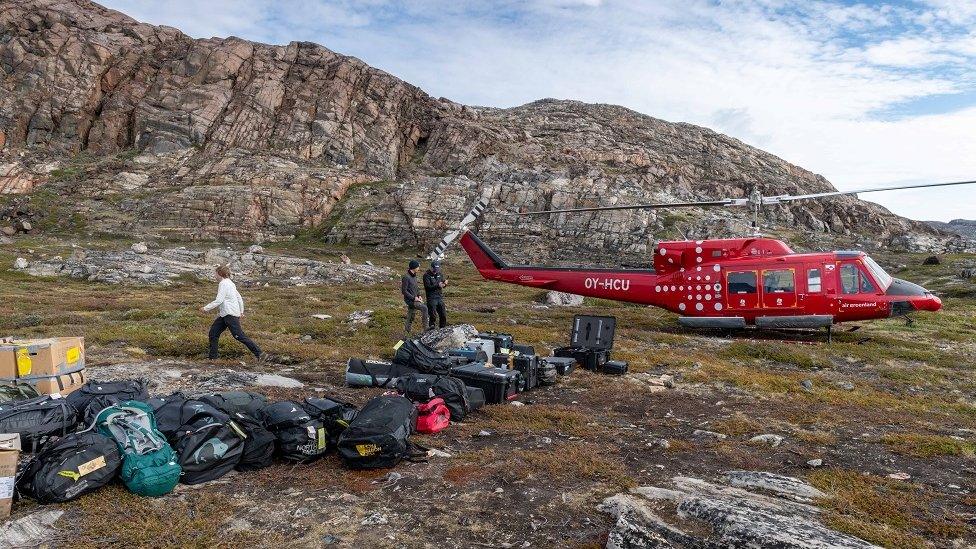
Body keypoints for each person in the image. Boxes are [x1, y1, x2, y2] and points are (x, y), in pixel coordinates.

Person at [200, 265, 264, 361]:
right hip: (225, 314)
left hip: (230, 314)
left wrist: (205, 308)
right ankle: (213, 357)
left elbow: (219, 300)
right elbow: (239, 297)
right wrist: (241, 311)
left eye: (215, 274)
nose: (214, 276)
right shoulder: (231, 283)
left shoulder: (223, 284)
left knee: (239, 336)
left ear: (219, 274)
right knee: (213, 333)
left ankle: (260, 355)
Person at [401, 259, 428, 336]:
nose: (419, 268)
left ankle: (406, 332)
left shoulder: (414, 276)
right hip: (410, 300)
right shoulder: (406, 277)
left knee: (411, 316)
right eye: (418, 267)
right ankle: (426, 329)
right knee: (424, 308)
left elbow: (416, 288)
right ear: (413, 267)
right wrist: (414, 298)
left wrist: (419, 296)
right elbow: (404, 291)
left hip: (415, 299)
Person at [423, 260, 448, 329]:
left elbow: (442, 284)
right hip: (431, 298)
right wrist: (438, 285)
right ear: (431, 267)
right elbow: (427, 287)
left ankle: (442, 329)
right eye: (435, 268)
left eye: (437, 268)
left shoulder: (440, 274)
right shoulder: (426, 275)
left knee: (443, 314)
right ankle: (431, 329)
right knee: (433, 315)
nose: (436, 270)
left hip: (439, 297)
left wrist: (445, 284)